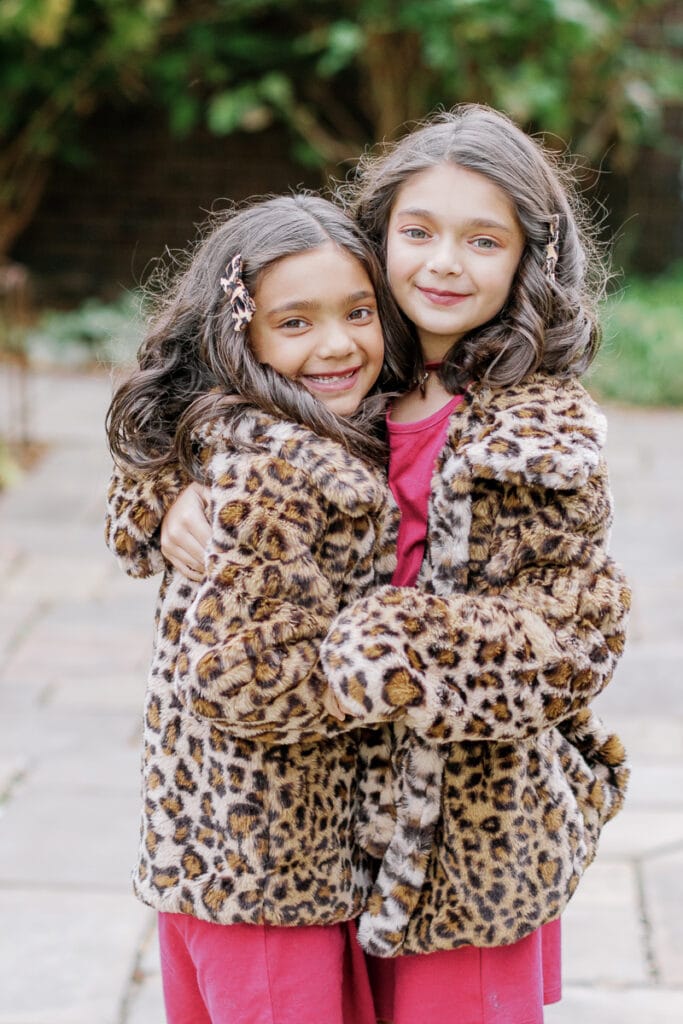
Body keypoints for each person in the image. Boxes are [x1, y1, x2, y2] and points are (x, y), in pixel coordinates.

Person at [160, 105, 631, 1024]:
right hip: (325, 823)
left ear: (529, 258)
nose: (443, 262)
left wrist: (396, 644)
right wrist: (163, 499)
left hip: (467, 837)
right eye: (417, 232)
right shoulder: (347, 366)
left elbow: (579, 628)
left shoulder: (539, 433)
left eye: (481, 239)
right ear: (378, 237)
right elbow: (195, 428)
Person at [104, 192, 415, 1024]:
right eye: (296, 323)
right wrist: (407, 674)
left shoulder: (266, 435)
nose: (339, 344)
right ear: (235, 333)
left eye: (358, 311)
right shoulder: (275, 467)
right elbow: (249, 682)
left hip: (219, 852)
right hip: (266, 869)